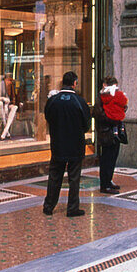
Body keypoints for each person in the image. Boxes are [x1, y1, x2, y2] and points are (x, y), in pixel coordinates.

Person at [42, 71, 92, 217]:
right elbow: (86, 124)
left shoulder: (53, 100)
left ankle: (48, 206)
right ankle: (72, 208)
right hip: (75, 146)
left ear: (62, 82)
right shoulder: (79, 101)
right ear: (74, 83)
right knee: (74, 178)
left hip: (58, 144)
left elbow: (48, 117)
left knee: (54, 176)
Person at [92, 76, 123, 194]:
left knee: (113, 158)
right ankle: (104, 185)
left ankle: (108, 180)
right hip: (106, 132)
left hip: (114, 131)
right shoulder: (101, 98)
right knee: (106, 159)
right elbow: (98, 113)